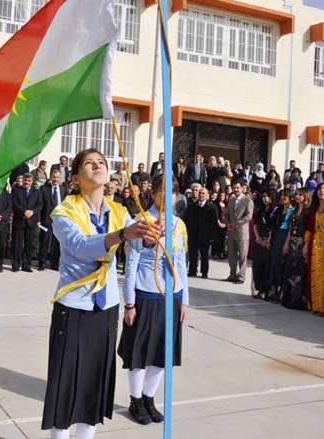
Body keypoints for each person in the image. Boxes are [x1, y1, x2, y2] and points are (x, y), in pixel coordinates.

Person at [41, 148, 155, 439]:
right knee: (66, 388)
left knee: (93, 387)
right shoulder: (64, 212)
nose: (97, 166)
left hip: (106, 308)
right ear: (75, 177)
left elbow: (137, 245)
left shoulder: (118, 212)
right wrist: (123, 235)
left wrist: (151, 235)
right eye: (89, 163)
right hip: (74, 306)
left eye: (101, 162)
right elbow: (81, 247)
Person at [118, 173, 187, 426]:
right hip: (146, 293)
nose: (166, 196)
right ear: (153, 193)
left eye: (172, 192)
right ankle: (135, 400)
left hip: (172, 296)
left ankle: (148, 398)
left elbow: (181, 264)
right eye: (161, 191)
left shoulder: (178, 224)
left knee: (161, 353)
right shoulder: (141, 221)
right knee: (139, 352)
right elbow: (131, 265)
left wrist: (185, 299)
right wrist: (129, 303)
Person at [304, 183, 324, 315]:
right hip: (314, 244)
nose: (321, 191)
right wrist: (306, 244)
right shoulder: (314, 209)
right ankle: (316, 306)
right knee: (314, 275)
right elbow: (309, 227)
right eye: (319, 189)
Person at [281, 189, 311, 310]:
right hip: (292, 243)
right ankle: (290, 298)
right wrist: (286, 243)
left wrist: (306, 244)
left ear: (305, 196)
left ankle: (299, 300)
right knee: (291, 270)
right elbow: (290, 228)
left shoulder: (308, 212)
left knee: (300, 270)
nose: (297, 197)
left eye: (300, 195)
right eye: (297, 194)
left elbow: (309, 230)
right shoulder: (293, 211)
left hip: (301, 243)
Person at [184, 187, 217, 279]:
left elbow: (214, 223)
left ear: (207, 195)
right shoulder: (192, 206)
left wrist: (212, 237)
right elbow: (187, 220)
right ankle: (192, 270)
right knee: (193, 254)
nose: (201, 195)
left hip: (205, 235)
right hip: (193, 235)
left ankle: (204, 272)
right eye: (200, 193)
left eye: (203, 193)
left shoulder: (211, 207)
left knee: (204, 255)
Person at [12, 173, 42, 272]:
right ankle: (16, 265)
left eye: (29, 181)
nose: (27, 182)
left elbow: (39, 205)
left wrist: (32, 212)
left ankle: (26, 265)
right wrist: (24, 212)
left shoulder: (36, 192)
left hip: (31, 221)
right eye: (25, 180)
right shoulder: (16, 190)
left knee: (29, 244)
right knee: (17, 244)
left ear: (32, 181)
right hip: (19, 220)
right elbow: (14, 203)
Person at [225, 180, 254, 284]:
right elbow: (227, 214)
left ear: (242, 188)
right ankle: (232, 274)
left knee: (242, 256)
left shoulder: (248, 201)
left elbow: (249, 216)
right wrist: (228, 224)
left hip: (242, 233)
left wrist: (236, 223)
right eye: (234, 188)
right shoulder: (231, 200)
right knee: (231, 255)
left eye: (237, 188)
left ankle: (241, 276)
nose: (236, 189)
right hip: (231, 232)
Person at [39, 169, 66, 271]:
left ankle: (54, 263)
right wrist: (39, 220)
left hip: (59, 220)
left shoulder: (63, 190)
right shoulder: (44, 189)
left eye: (57, 177)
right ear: (50, 177)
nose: (55, 179)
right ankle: (42, 262)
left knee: (56, 242)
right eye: (54, 177)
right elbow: (40, 205)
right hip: (46, 219)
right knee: (44, 241)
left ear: (60, 178)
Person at [269, 190, 293, 302]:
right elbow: (272, 225)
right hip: (277, 236)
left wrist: (287, 243)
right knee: (274, 263)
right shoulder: (278, 210)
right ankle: (273, 290)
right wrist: (270, 239)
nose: (283, 197)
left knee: (282, 264)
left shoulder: (293, 211)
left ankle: (281, 291)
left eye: (285, 195)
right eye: (282, 195)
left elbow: (291, 229)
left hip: (285, 237)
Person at [252, 190, 274, 299]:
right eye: (264, 196)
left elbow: (273, 227)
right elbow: (255, 225)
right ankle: (259, 290)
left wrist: (268, 240)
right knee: (257, 266)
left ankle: (266, 291)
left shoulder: (274, 211)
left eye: (267, 196)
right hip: (259, 240)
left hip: (269, 241)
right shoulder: (259, 211)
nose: (265, 198)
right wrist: (258, 238)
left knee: (267, 267)